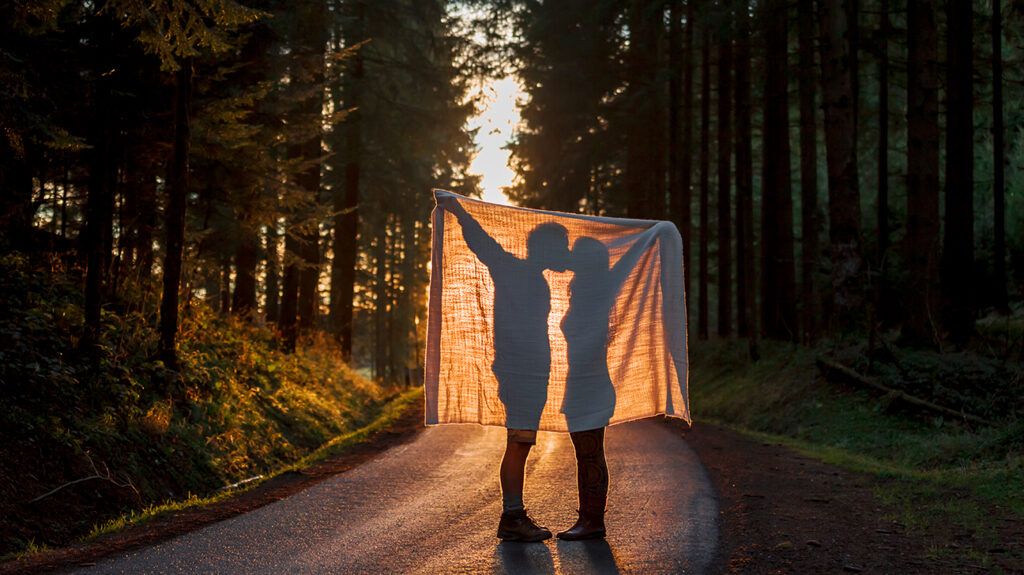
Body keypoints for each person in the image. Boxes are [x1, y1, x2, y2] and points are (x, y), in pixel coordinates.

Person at [441, 197, 570, 543]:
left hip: (528, 372)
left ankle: (513, 514)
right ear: (546, 249)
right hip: (520, 373)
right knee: (518, 441)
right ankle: (512, 517)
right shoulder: (512, 268)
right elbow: (482, 243)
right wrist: (459, 210)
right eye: (562, 247)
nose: (566, 253)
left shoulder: (527, 272)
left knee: (521, 442)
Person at [557, 234, 649, 540]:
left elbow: (626, 264)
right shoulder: (584, 291)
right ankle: (589, 517)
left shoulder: (599, 293)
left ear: (588, 262)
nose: (571, 259)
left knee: (591, 453)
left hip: (592, 384)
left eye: (577, 255)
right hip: (580, 383)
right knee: (587, 454)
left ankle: (593, 521)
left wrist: (653, 234)